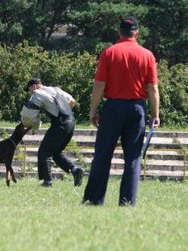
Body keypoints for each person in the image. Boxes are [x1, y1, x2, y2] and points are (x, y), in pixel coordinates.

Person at [82, 16, 160, 206]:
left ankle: (93, 200)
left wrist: (93, 110)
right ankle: (127, 202)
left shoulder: (109, 53)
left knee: (102, 155)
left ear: (120, 32)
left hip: (113, 108)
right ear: (137, 33)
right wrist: (155, 114)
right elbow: (153, 89)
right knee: (133, 158)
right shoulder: (147, 55)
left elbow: (99, 85)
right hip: (137, 109)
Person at [21, 78, 84, 187]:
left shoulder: (37, 93)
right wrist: (62, 111)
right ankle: (75, 170)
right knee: (56, 153)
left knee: (44, 152)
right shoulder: (56, 89)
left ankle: (47, 181)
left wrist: (32, 123)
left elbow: (29, 114)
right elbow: (72, 101)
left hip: (60, 123)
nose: (30, 92)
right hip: (71, 122)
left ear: (34, 86)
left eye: (30, 89)